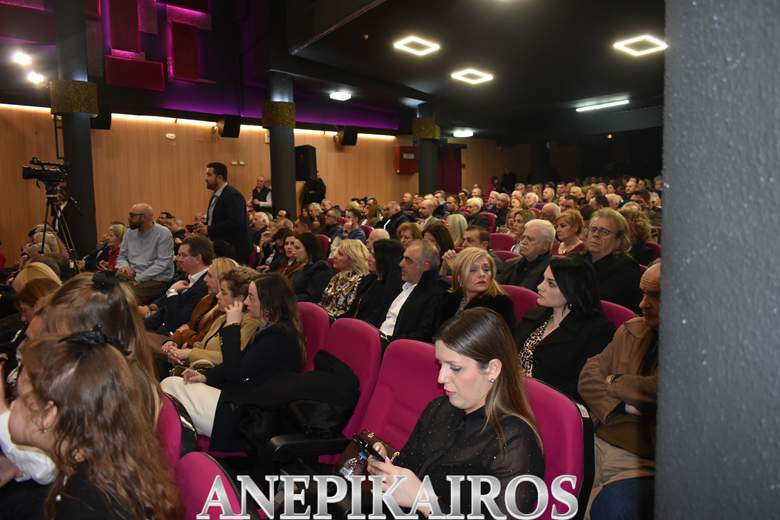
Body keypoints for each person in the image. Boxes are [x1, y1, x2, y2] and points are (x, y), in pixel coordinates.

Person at [367, 308, 544, 517]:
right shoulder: (440, 408)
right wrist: (387, 467)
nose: (441, 378)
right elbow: (410, 471)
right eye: (441, 364)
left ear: (492, 369)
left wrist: (424, 500)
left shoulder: (515, 443)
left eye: (455, 368)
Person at [6, 332, 181, 518]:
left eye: (20, 397)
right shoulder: (94, 467)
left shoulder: (83, 506)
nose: (12, 404)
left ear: (49, 415)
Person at [161, 273, 305, 451]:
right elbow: (243, 365)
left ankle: (170, 449)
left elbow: (234, 371)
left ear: (268, 302)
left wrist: (232, 327)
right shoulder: (273, 328)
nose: (246, 302)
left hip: (247, 417)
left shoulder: (278, 335)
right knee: (172, 386)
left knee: (170, 387)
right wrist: (205, 376)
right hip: (240, 401)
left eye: (251, 297)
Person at [579, 263, 661, 520]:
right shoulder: (631, 330)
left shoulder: (700, 347)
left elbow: (661, 391)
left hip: (643, 459)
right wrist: (623, 405)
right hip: (598, 436)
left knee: (610, 507)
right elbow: (588, 377)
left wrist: (615, 381)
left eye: (655, 296)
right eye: (643, 293)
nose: (643, 304)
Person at [515, 256, 615, 402]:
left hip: (552, 403)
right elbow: (510, 354)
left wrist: (531, 389)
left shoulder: (597, 331)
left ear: (572, 290)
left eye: (551, 284)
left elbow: (582, 385)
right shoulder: (535, 315)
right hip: (514, 393)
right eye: (543, 279)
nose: (539, 286)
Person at [162, 266, 260, 369]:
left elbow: (232, 358)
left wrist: (188, 354)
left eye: (223, 292)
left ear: (240, 298)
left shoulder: (251, 322)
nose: (218, 296)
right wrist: (179, 354)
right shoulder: (222, 318)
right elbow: (201, 346)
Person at [378, 240, 446, 345]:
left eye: (408, 260)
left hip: (395, 348)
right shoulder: (401, 284)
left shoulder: (435, 296)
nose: (401, 264)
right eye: (403, 258)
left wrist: (386, 341)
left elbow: (422, 336)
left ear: (425, 266)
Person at [143, 235, 213, 335]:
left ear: (198, 258)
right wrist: (143, 324)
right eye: (178, 255)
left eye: (183, 255)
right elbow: (165, 309)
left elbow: (175, 322)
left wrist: (172, 292)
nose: (178, 259)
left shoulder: (205, 286)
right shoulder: (189, 276)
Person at [436, 247, 515, 330]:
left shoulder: (500, 304)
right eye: (473, 270)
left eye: (486, 269)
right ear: (459, 277)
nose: (482, 274)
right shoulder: (450, 299)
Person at [583, 208, 643, 312]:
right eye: (593, 229)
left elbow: (598, 304)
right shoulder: (580, 258)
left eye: (604, 231)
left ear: (619, 240)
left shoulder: (626, 268)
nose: (596, 234)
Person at [115, 203, 175, 304]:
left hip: (156, 279)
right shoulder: (129, 232)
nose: (128, 218)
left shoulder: (163, 234)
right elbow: (122, 256)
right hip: (131, 274)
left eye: (132, 215)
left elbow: (161, 264)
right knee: (106, 288)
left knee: (125, 297)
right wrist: (124, 267)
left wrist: (137, 278)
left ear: (144, 217)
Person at [200, 162, 251, 264]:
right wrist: (204, 226)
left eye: (209, 175)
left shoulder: (232, 195)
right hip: (219, 248)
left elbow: (236, 222)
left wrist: (209, 229)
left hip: (232, 250)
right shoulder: (216, 196)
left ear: (219, 177)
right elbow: (218, 219)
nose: (205, 178)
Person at [347, 239, 404, 327]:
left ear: (385, 260)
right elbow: (353, 310)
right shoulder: (368, 279)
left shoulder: (393, 289)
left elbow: (376, 320)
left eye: (373, 255)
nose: (368, 258)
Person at [319, 240, 370, 319]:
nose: (334, 256)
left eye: (340, 254)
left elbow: (347, 313)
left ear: (352, 259)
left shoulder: (360, 282)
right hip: (324, 317)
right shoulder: (337, 276)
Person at [498, 219, 555, 290]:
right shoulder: (510, 264)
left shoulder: (553, 272)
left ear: (545, 245)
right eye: (523, 238)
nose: (523, 242)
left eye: (530, 239)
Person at [290, 233, 334, 302]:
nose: (293, 252)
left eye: (297, 248)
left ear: (309, 249)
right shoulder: (304, 265)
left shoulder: (321, 268)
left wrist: (287, 299)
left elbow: (312, 297)